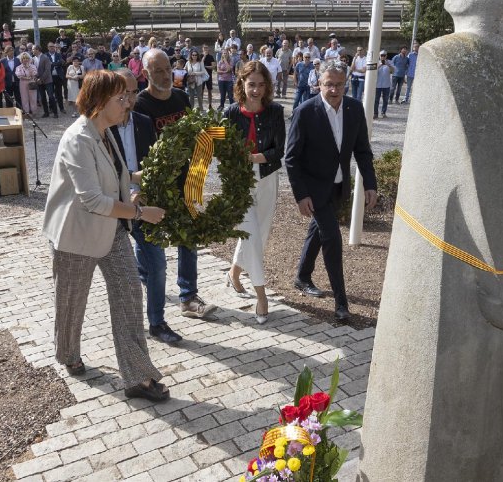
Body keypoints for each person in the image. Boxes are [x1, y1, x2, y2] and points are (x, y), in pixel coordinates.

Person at [42, 70, 170, 403]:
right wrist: (142, 213)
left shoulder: (106, 131)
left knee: (129, 295)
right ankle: (68, 353)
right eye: (120, 97)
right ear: (99, 103)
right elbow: (93, 200)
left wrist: (155, 170)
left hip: (112, 232)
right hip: (76, 236)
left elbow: (120, 176)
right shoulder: (76, 138)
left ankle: (137, 377)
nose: (128, 101)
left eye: (127, 96)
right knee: (71, 303)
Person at [284, 61, 377, 322]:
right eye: (328, 84)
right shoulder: (305, 112)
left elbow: (362, 151)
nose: (333, 89)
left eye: (338, 84)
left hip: (338, 188)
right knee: (332, 239)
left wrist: (370, 184)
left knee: (318, 231)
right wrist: (301, 195)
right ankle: (341, 303)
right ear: (319, 84)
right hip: (313, 190)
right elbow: (291, 159)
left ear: (345, 83)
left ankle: (302, 276)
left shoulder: (354, 109)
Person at [135, 49, 214, 322]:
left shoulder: (181, 98)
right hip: (155, 186)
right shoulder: (139, 105)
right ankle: (145, 277)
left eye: (168, 69)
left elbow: (195, 138)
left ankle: (188, 296)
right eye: (158, 71)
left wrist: (199, 172)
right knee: (149, 239)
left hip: (185, 182)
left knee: (188, 237)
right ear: (146, 73)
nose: (166, 75)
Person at [108, 70, 182, 345]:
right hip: (113, 207)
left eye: (132, 91)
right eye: (122, 93)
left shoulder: (143, 121)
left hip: (144, 206)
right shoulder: (102, 126)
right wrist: (125, 191)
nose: (128, 98)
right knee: (121, 277)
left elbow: (152, 164)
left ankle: (157, 322)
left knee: (158, 264)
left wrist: (149, 193)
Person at [224, 61, 285, 325]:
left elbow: (279, 151)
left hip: (268, 179)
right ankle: (262, 297)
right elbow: (220, 149)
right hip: (239, 183)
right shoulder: (228, 113)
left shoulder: (275, 112)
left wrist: (254, 158)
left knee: (257, 238)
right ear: (241, 84)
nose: (256, 90)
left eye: (261, 85)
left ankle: (234, 273)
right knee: (249, 235)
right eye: (251, 84)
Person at [374, 51, 393, 118]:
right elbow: (372, 72)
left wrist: (388, 65)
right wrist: (380, 65)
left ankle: (383, 112)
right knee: (376, 100)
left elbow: (393, 71)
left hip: (386, 85)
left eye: (384, 55)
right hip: (377, 85)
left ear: (386, 56)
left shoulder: (390, 62)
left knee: (385, 100)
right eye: (381, 55)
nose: (383, 57)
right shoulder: (376, 62)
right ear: (379, 56)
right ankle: (375, 113)